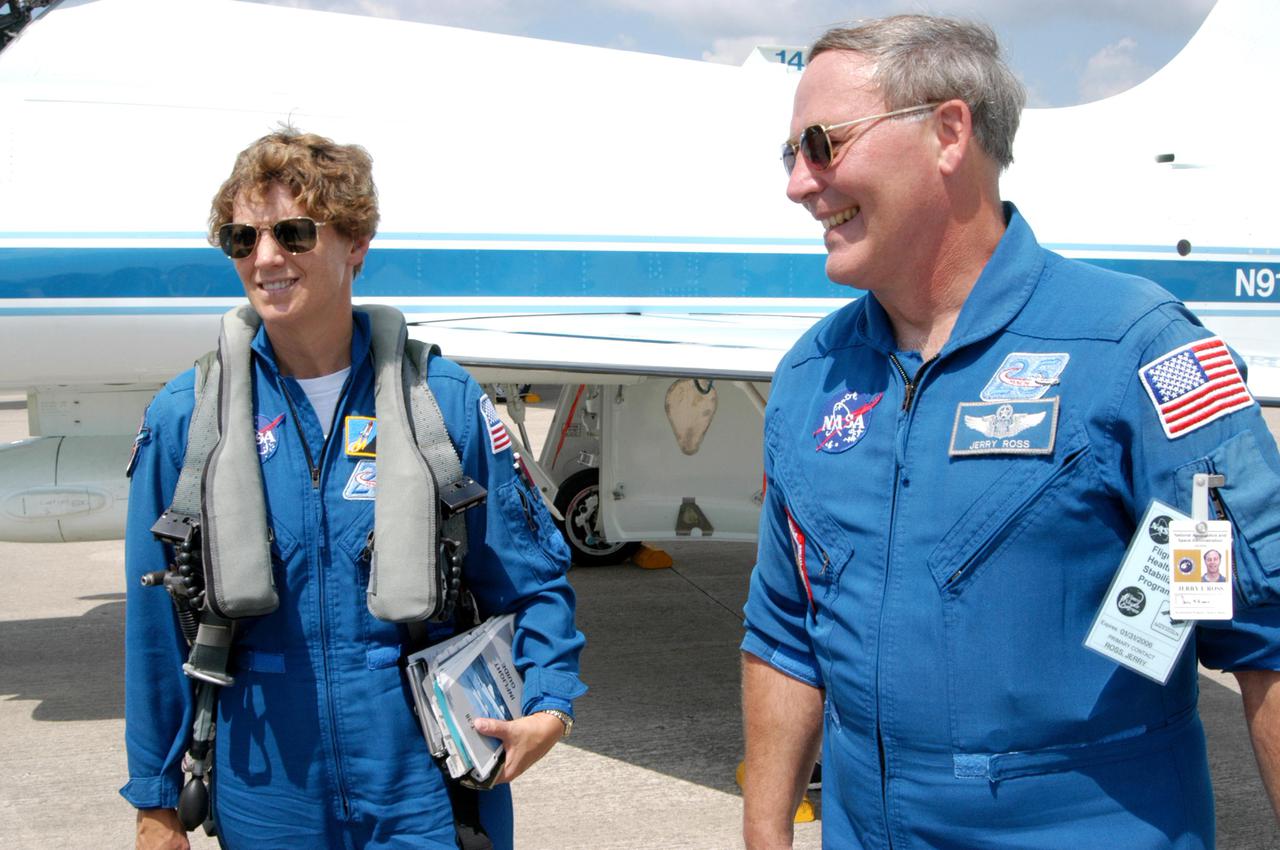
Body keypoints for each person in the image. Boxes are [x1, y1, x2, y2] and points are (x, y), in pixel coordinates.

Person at [741, 15, 1280, 849]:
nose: (800, 183)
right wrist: (765, 833)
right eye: (791, 155)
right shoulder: (813, 377)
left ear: (948, 133)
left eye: (822, 144)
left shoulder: (1136, 353)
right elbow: (783, 629)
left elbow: (1264, 631)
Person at [122, 128, 585, 849]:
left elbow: (529, 579)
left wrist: (549, 704)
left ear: (356, 243)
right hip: (266, 785)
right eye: (242, 238)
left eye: (293, 232)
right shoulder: (188, 419)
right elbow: (153, 628)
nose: (265, 257)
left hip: (423, 786)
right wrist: (155, 801)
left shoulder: (444, 402)